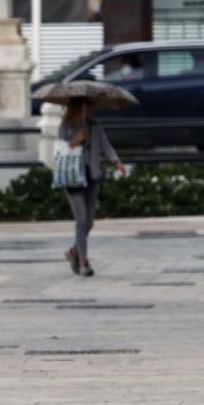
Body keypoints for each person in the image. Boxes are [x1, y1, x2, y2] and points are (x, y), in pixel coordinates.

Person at [60, 97, 127, 277]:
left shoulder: (96, 125)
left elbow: (106, 145)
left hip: (92, 174)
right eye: (88, 106)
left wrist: (116, 162)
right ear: (78, 107)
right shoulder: (66, 124)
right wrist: (76, 140)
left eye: (91, 106)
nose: (91, 109)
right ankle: (83, 261)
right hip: (73, 176)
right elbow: (60, 149)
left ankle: (75, 250)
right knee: (81, 219)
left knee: (89, 221)